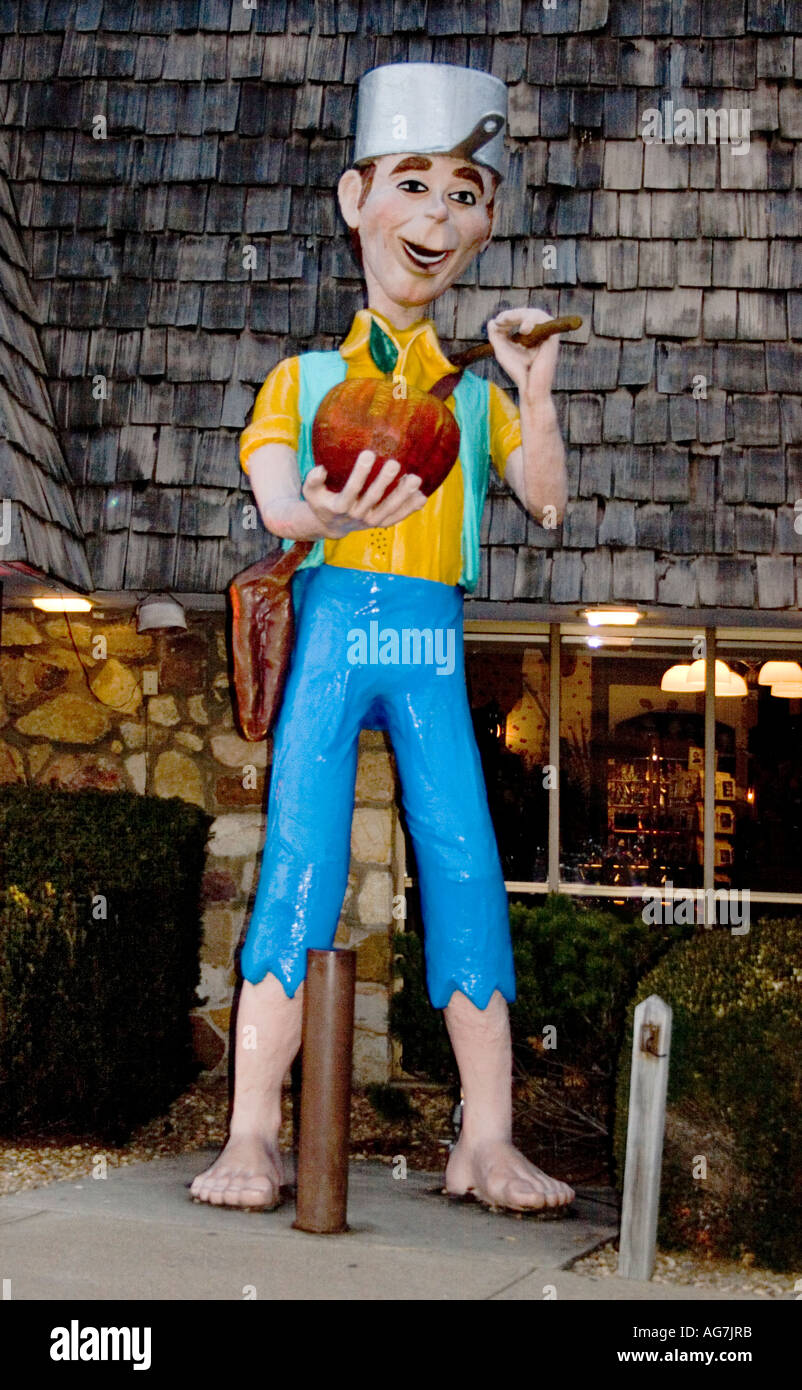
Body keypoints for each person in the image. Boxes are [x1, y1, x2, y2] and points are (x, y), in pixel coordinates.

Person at [192, 62, 574, 1213]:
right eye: (414, 184)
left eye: (465, 192)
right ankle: (253, 1131)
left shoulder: (474, 393)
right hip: (328, 631)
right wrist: (329, 512)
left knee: (462, 861)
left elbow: (547, 500)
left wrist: (537, 391)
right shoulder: (302, 379)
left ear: (489, 217)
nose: (437, 219)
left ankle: (485, 1138)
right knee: (298, 867)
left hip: (427, 644)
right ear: (358, 198)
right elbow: (276, 506)